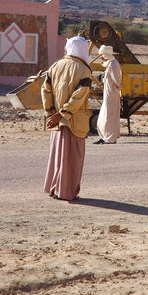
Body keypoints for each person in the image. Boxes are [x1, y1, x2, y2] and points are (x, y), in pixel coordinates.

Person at [41, 36, 92, 201]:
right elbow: (79, 96)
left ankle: (54, 188)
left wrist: (51, 113)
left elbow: (45, 91)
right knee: (72, 159)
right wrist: (62, 114)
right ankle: (66, 192)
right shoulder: (84, 70)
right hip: (73, 121)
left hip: (57, 122)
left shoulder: (55, 66)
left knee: (57, 156)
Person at [94, 44, 122, 145]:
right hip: (108, 95)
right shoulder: (110, 64)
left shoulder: (114, 64)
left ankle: (110, 138)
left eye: (102, 55)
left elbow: (116, 81)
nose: (101, 57)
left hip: (112, 95)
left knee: (109, 117)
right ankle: (104, 136)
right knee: (103, 117)